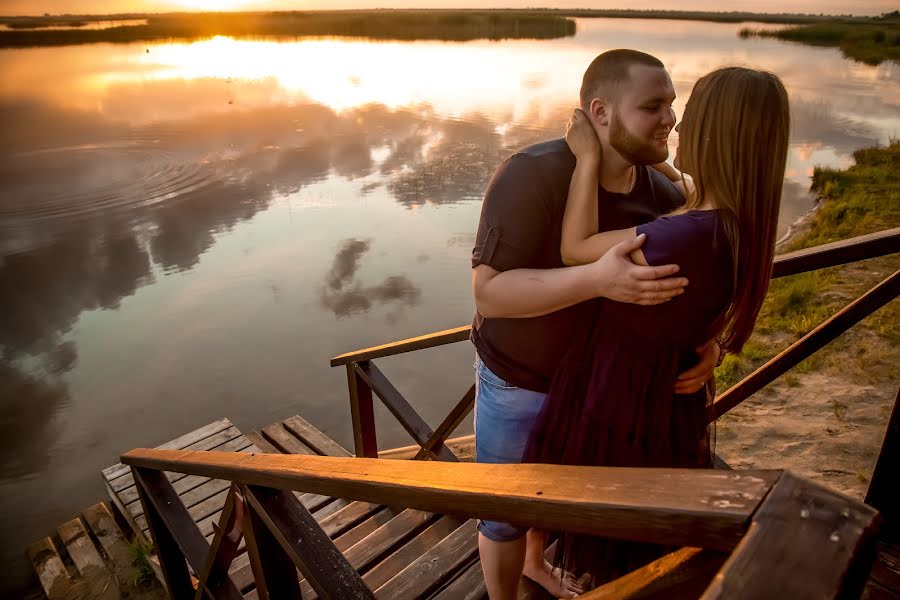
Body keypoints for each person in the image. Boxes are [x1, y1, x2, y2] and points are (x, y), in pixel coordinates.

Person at [523, 66, 791, 587]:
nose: (677, 128)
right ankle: (543, 566)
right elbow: (695, 199)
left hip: (619, 388)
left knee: (590, 494)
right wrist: (668, 173)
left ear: (717, 137)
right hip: (662, 389)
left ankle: (561, 573)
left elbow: (575, 248)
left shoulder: (682, 237)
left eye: (689, 120)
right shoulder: (738, 223)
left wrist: (586, 160)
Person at [471, 49, 722, 600]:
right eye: (653, 106)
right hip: (521, 383)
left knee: (560, 501)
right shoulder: (531, 174)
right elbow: (489, 294)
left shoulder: (667, 195)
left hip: (601, 393)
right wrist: (596, 282)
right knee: (505, 514)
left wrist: (710, 345)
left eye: (672, 105)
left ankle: (537, 564)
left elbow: (684, 287)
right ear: (600, 112)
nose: (671, 119)